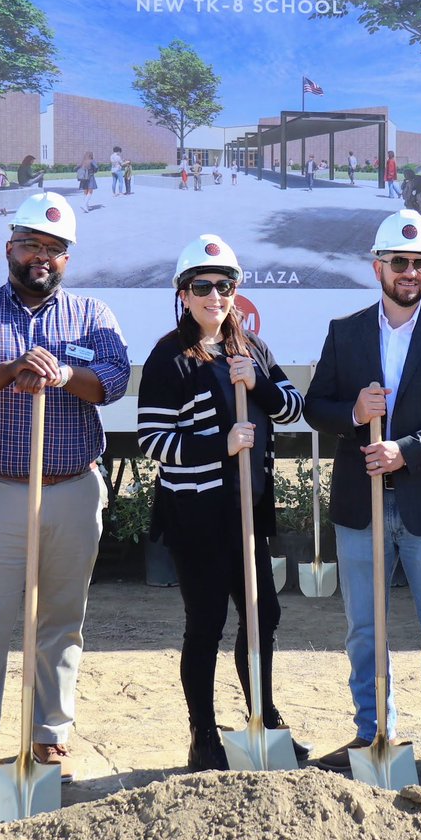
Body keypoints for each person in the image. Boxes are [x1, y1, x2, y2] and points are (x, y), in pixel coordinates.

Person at [0, 191, 130, 789]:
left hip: (71, 490)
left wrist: (66, 374)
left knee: (61, 619)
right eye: (31, 246)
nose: (41, 257)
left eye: (54, 249)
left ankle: (50, 737)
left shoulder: (94, 315)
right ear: (9, 247)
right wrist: (14, 366)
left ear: (66, 257)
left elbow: (114, 380)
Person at [305, 210, 421, 784]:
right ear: (377, 266)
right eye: (399, 262)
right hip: (363, 504)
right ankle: (372, 730)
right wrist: (355, 414)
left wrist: (406, 449)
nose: (410, 272)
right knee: (364, 627)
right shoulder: (345, 331)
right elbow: (316, 405)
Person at [137, 234, 308, 771]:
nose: (216, 295)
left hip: (247, 514)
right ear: (183, 293)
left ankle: (265, 719)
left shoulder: (251, 349)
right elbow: (152, 440)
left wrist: (258, 384)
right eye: (203, 286)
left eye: (225, 285)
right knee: (206, 622)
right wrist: (220, 444)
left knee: (263, 615)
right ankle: (203, 734)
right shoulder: (168, 357)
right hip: (197, 516)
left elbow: (291, 408)